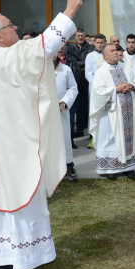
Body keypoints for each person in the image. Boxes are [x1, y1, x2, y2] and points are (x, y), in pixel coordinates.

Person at [0, 0, 82, 269]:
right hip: (10, 151)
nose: (16, 28)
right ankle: (8, 263)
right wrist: (68, 12)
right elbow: (42, 48)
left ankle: (8, 260)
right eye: (10, 25)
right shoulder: (2, 58)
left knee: (11, 201)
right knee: (15, 199)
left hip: (6, 145)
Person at [89, 43, 135, 179]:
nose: (116, 52)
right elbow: (98, 93)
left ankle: (129, 166)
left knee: (128, 137)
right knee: (111, 138)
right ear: (105, 56)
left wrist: (132, 86)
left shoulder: (126, 67)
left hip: (128, 112)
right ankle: (110, 169)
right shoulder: (101, 72)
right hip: (110, 113)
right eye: (112, 51)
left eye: (116, 50)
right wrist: (116, 89)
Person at [54, 49, 79, 181]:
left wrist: (65, 101)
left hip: (61, 109)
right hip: (45, 110)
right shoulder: (38, 70)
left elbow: (73, 88)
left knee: (64, 138)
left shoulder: (65, 69)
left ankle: (69, 165)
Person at [67, 28, 94, 139]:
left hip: (87, 81)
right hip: (76, 81)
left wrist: (78, 64)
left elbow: (90, 62)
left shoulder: (90, 48)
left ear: (85, 36)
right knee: (77, 106)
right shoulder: (71, 49)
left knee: (87, 105)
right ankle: (79, 130)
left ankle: (88, 129)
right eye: (78, 36)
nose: (80, 37)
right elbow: (70, 61)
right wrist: (82, 64)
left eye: (82, 35)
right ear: (75, 37)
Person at [85, 33, 106, 149]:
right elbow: (88, 73)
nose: (99, 44)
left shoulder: (107, 54)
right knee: (94, 110)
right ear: (94, 43)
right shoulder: (90, 56)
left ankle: (103, 135)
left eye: (101, 42)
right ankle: (93, 136)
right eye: (97, 42)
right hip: (94, 88)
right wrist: (97, 84)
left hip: (106, 87)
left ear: (105, 42)